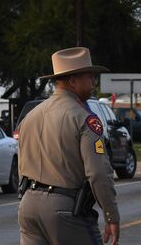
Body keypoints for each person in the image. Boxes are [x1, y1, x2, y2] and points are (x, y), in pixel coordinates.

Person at [17, 47, 120, 245]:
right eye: (90, 77)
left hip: (28, 205)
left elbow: (21, 166)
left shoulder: (30, 116)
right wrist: (111, 215)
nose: (93, 83)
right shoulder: (84, 118)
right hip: (65, 208)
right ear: (73, 81)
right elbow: (98, 173)